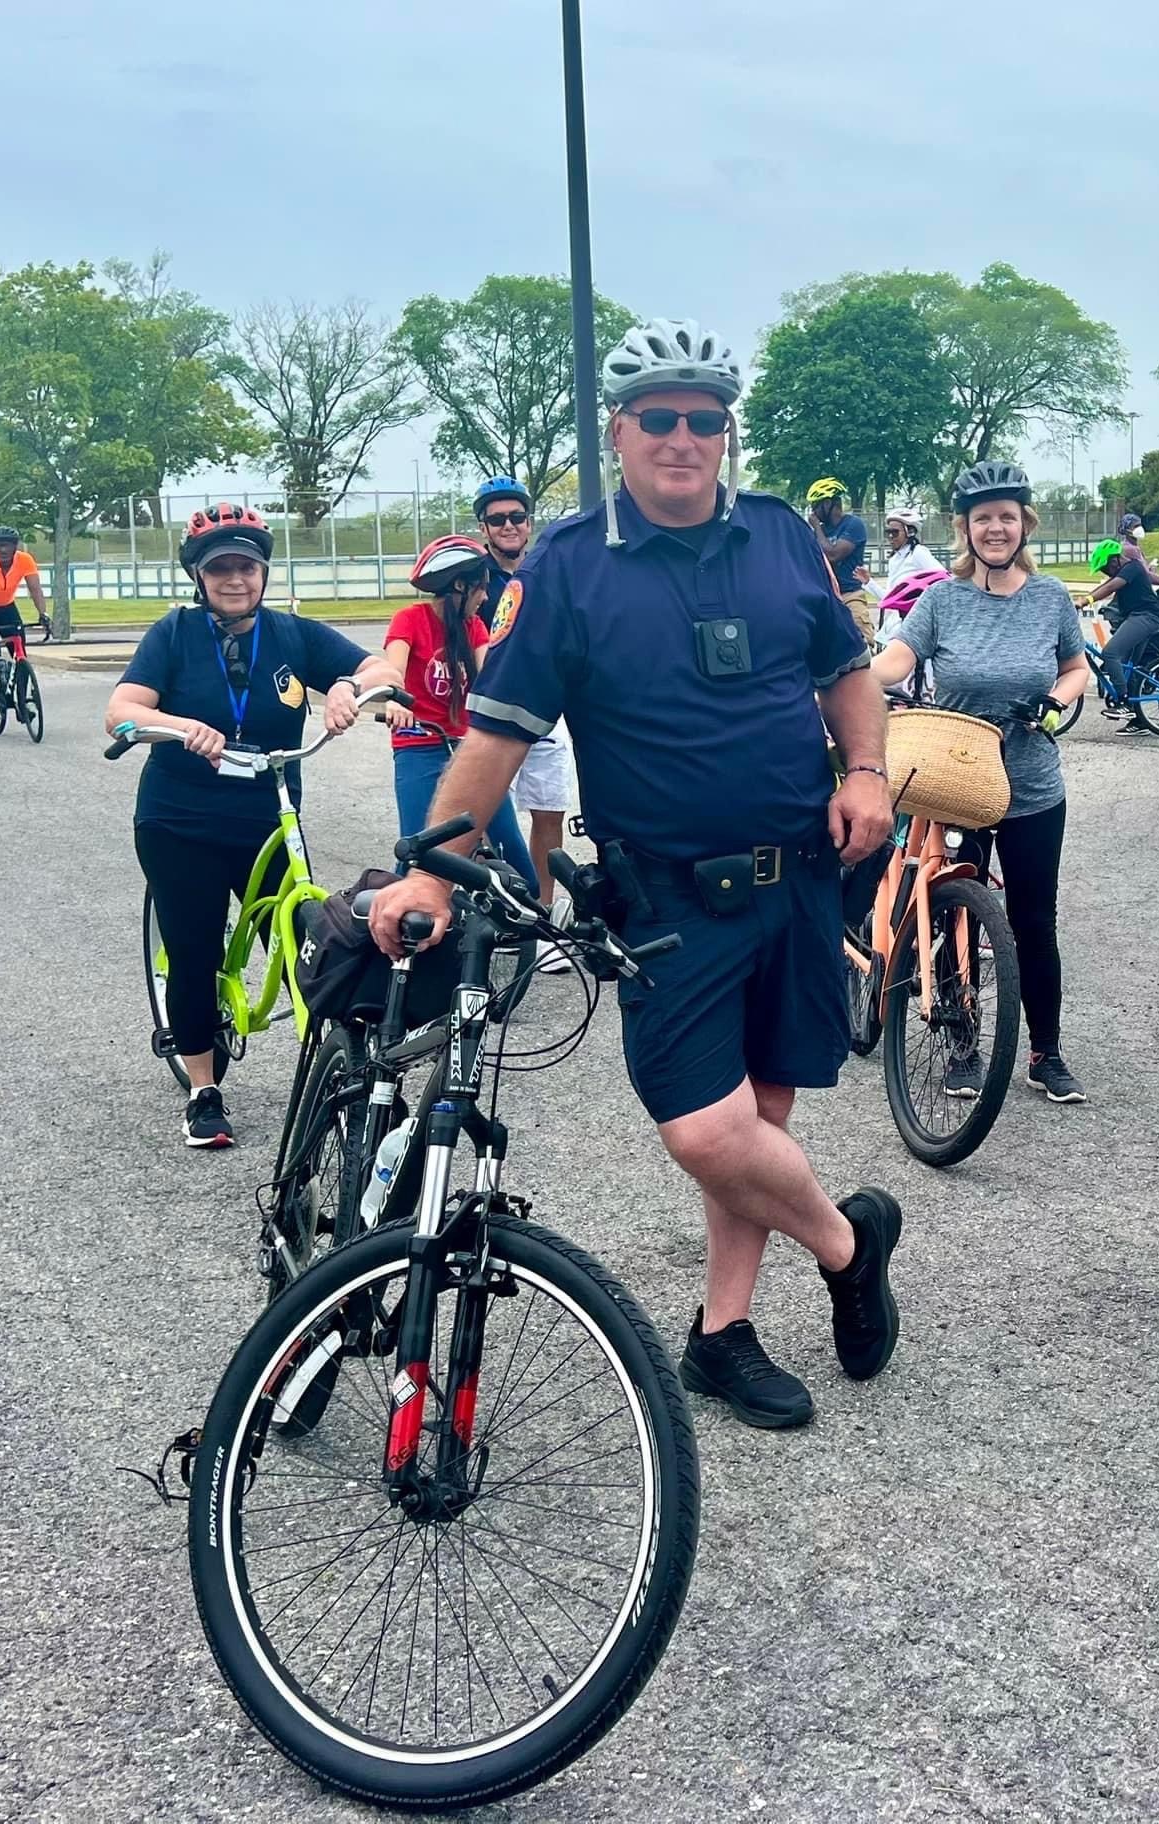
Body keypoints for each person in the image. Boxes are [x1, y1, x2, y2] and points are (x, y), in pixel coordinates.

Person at [367, 316, 901, 1433]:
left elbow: (846, 670)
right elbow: (499, 733)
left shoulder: (779, 536)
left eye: (703, 419)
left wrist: (865, 770)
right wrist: (437, 873)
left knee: (760, 1109)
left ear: (725, 432)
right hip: (667, 896)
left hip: (799, 874)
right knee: (705, 1128)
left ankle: (721, 1333)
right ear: (618, 431)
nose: (681, 437)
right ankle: (848, 1245)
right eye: (657, 417)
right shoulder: (567, 564)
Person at [103, 504, 401, 1148]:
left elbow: (382, 669)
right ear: (199, 577)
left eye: (247, 566)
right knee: (195, 950)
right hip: (179, 819)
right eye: (221, 569)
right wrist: (181, 726)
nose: (235, 578)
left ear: (263, 572)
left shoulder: (293, 635)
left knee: (308, 942)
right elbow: (122, 709)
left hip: (268, 814)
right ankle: (203, 1090)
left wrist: (348, 686)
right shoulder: (174, 634)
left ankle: (339, 1072)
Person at [871, 460, 1095, 1105]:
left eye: (1007, 517)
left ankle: (1046, 1053)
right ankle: (962, 1044)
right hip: (958, 780)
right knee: (954, 912)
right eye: (983, 519)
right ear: (964, 528)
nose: (996, 528)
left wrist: (1057, 699)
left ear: (1025, 524)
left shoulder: (1049, 597)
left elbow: (1076, 666)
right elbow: (898, 659)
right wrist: (849, 677)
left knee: (1034, 921)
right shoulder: (943, 599)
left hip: (1031, 784)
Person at [379, 535, 537, 891]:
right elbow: (393, 671)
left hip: (466, 748)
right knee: (417, 846)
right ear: (460, 586)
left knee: (508, 840)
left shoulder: (475, 627)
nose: (485, 598)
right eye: (481, 589)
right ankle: (399, 916)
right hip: (418, 744)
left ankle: (533, 911)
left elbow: (490, 679)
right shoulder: (409, 620)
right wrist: (394, 700)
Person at [475, 477, 576, 965]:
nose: (509, 526)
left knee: (548, 813)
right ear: (483, 527)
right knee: (482, 814)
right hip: (491, 715)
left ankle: (542, 918)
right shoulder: (473, 575)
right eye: (498, 519)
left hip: (545, 711)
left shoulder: (546, 571)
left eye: (517, 517)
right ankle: (489, 914)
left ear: (529, 523)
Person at [1086, 536, 1159, 732]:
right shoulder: (1123, 571)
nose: (1106, 573)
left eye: (1105, 568)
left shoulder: (1132, 567)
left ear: (1115, 560)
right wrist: (1079, 599)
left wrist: (1086, 601)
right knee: (1130, 667)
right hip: (1138, 617)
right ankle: (1139, 721)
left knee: (1110, 653)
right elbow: (1106, 585)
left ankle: (1123, 702)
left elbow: (1110, 587)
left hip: (1146, 617)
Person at [807, 477, 874, 644]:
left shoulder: (853, 525)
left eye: (815, 505)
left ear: (828, 503)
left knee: (863, 644)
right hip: (829, 598)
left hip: (850, 595)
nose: (813, 512)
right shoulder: (820, 531)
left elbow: (833, 555)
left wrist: (817, 528)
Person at [874, 505, 941, 642]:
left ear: (909, 532)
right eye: (888, 532)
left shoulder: (918, 553)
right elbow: (889, 598)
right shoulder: (894, 559)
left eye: (895, 532)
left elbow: (942, 578)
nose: (890, 537)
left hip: (917, 620)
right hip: (898, 620)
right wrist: (868, 582)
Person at [0, 527, 47, 641]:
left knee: (18, 641)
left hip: (6, 605)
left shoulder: (25, 560)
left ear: (15, 546)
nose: (3, 550)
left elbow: (35, 590)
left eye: (7, 546)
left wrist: (43, 614)